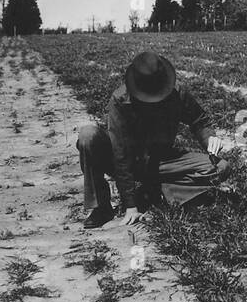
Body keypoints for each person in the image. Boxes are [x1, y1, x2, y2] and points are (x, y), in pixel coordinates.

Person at [76, 50, 227, 229]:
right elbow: (120, 154)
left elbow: (199, 120)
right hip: (125, 160)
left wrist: (209, 138)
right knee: (88, 136)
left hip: (161, 160)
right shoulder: (120, 100)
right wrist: (131, 206)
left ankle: (155, 192)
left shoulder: (177, 94)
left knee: (221, 167)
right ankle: (102, 207)